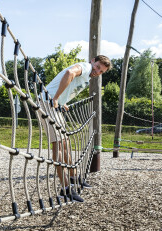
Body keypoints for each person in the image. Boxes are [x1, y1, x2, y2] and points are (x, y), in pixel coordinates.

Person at [42, 55, 112, 202]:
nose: (97, 71)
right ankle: (65, 189)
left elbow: (69, 84)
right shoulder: (85, 67)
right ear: (93, 61)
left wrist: (62, 101)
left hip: (54, 105)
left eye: (101, 72)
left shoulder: (87, 76)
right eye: (98, 67)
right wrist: (55, 98)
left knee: (65, 143)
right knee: (59, 146)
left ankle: (74, 178)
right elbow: (69, 74)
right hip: (47, 103)